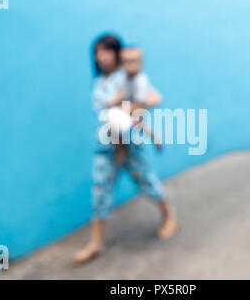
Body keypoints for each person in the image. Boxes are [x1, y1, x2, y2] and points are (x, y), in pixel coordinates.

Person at [73, 34, 178, 264]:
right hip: (105, 146)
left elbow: (153, 97)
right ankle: (96, 242)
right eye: (97, 52)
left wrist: (131, 107)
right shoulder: (98, 82)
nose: (101, 57)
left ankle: (168, 213)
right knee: (100, 190)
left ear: (117, 53)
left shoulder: (127, 77)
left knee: (146, 182)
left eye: (106, 51)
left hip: (130, 144)